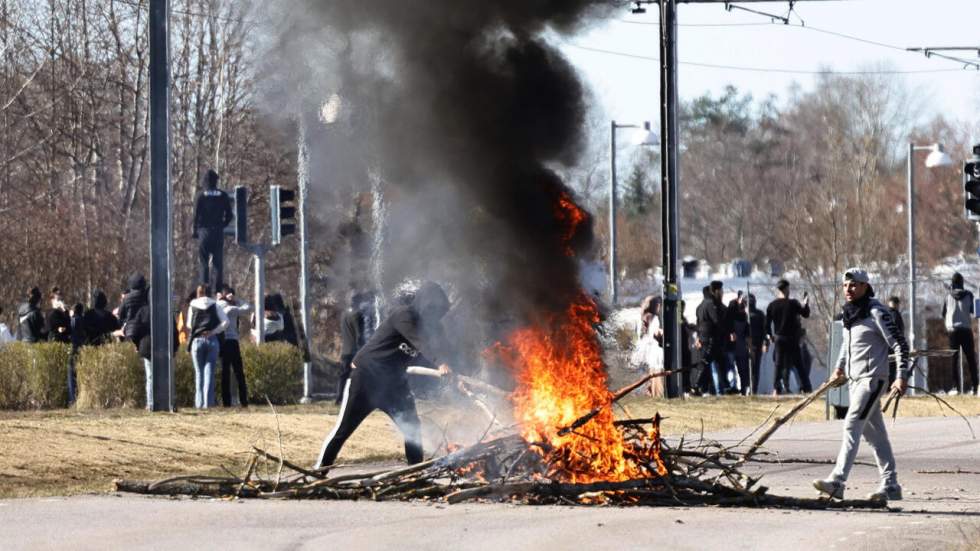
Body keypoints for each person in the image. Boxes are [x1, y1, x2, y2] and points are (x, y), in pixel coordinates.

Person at [315, 282, 455, 471]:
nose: (435, 316)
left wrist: (456, 374)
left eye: (439, 312)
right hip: (366, 379)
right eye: (433, 310)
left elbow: (445, 350)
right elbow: (420, 343)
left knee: (412, 427)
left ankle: (416, 474)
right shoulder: (404, 315)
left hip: (394, 385)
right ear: (424, 304)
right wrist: (440, 363)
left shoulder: (433, 328)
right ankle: (321, 470)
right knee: (343, 430)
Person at [813, 268, 909, 502]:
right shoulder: (849, 315)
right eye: (845, 285)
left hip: (872, 379)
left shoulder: (877, 311)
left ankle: (837, 481)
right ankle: (891, 485)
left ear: (866, 286)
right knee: (875, 436)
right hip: (855, 381)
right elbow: (846, 349)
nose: (849, 289)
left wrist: (902, 376)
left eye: (854, 285)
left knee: (851, 424)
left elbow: (900, 344)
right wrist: (838, 369)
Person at [765, 279, 811, 394]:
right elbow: (805, 314)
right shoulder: (793, 303)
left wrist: (769, 336)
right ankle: (806, 388)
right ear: (786, 289)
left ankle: (776, 389)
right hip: (792, 339)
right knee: (799, 364)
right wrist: (805, 303)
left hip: (779, 338)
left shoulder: (772, 305)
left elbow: (767, 323)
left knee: (778, 365)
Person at [187, 284, 229, 409]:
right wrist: (214, 331)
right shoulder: (215, 304)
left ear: (198, 293)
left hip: (197, 340)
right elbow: (226, 322)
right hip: (211, 340)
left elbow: (189, 324)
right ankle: (208, 403)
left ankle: (199, 404)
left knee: (199, 373)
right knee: (209, 373)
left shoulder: (192, 305)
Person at [192, 168, 233, 294]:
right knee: (217, 264)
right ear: (216, 181)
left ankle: (204, 289)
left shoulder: (200, 195)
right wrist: (222, 225)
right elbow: (230, 215)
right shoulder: (223, 195)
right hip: (218, 232)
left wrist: (195, 231)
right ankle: (217, 290)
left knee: (203, 262)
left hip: (204, 232)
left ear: (205, 181)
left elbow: (195, 215)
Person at [117, 274, 153, 409]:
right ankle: (151, 401)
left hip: (131, 329)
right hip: (145, 330)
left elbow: (120, 315)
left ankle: (148, 402)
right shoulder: (146, 296)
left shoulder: (127, 298)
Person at [337, 291, 375, 404]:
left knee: (343, 376)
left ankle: (339, 398)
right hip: (355, 351)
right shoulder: (357, 315)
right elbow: (359, 335)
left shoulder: (344, 314)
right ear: (357, 301)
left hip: (345, 350)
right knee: (360, 375)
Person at [942, 273, 977, 394]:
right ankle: (975, 387)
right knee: (971, 359)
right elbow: (973, 311)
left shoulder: (947, 296)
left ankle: (955, 388)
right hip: (966, 330)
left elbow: (943, 313)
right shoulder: (969, 295)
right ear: (962, 282)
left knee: (954, 360)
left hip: (953, 331)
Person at [217, 285, 250, 408]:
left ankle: (226, 402)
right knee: (238, 372)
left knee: (225, 373)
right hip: (232, 341)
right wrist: (237, 300)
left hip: (222, 342)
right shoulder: (231, 308)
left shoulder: (217, 305)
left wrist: (221, 298)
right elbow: (247, 308)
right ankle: (243, 400)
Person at [695, 281, 730, 395]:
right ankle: (697, 385)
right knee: (707, 362)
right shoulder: (711, 304)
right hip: (711, 339)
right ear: (715, 291)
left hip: (704, 338)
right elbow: (717, 321)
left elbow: (698, 323)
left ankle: (724, 387)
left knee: (719, 363)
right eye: (721, 291)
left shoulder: (700, 306)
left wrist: (698, 337)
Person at [633, 295, 665, 397]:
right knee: (657, 373)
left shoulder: (642, 317)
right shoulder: (654, 318)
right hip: (653, 349)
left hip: (643, 350)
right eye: (659, 304)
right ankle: (657, 393)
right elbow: (656, 333)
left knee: (648, 375)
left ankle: (648, 393)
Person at [728, 292, 750, 394]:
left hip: (740, 345)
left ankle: (744, 388)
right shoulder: (733, 311)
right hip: (737, 345)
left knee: (742, 368)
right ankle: (740, 387)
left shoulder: (744, 316)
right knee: (737, 368)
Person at [747, 294, 767, 395]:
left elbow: (765, 330)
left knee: (754, 369)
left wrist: (765, 342)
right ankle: (749, 388)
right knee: (749, 368)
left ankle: (753, 389)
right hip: (747, 345)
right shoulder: (743, 314)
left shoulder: (759, 314)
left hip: (756, 345)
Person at [67, 303, 86, 405]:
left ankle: (72, 399)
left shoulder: (73, 320)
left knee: (71, 374)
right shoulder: (84, 320)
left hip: (74, 347)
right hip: (82, 347)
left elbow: (70, 332)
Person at [885, 296, 905, 385]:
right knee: (892, 367)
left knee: (888, 367)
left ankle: (887, 386)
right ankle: (890, 386)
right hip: (894, 345)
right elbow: (898, 331)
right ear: (897, 304)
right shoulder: (896, 315)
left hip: (886, 345)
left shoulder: (884, 314)